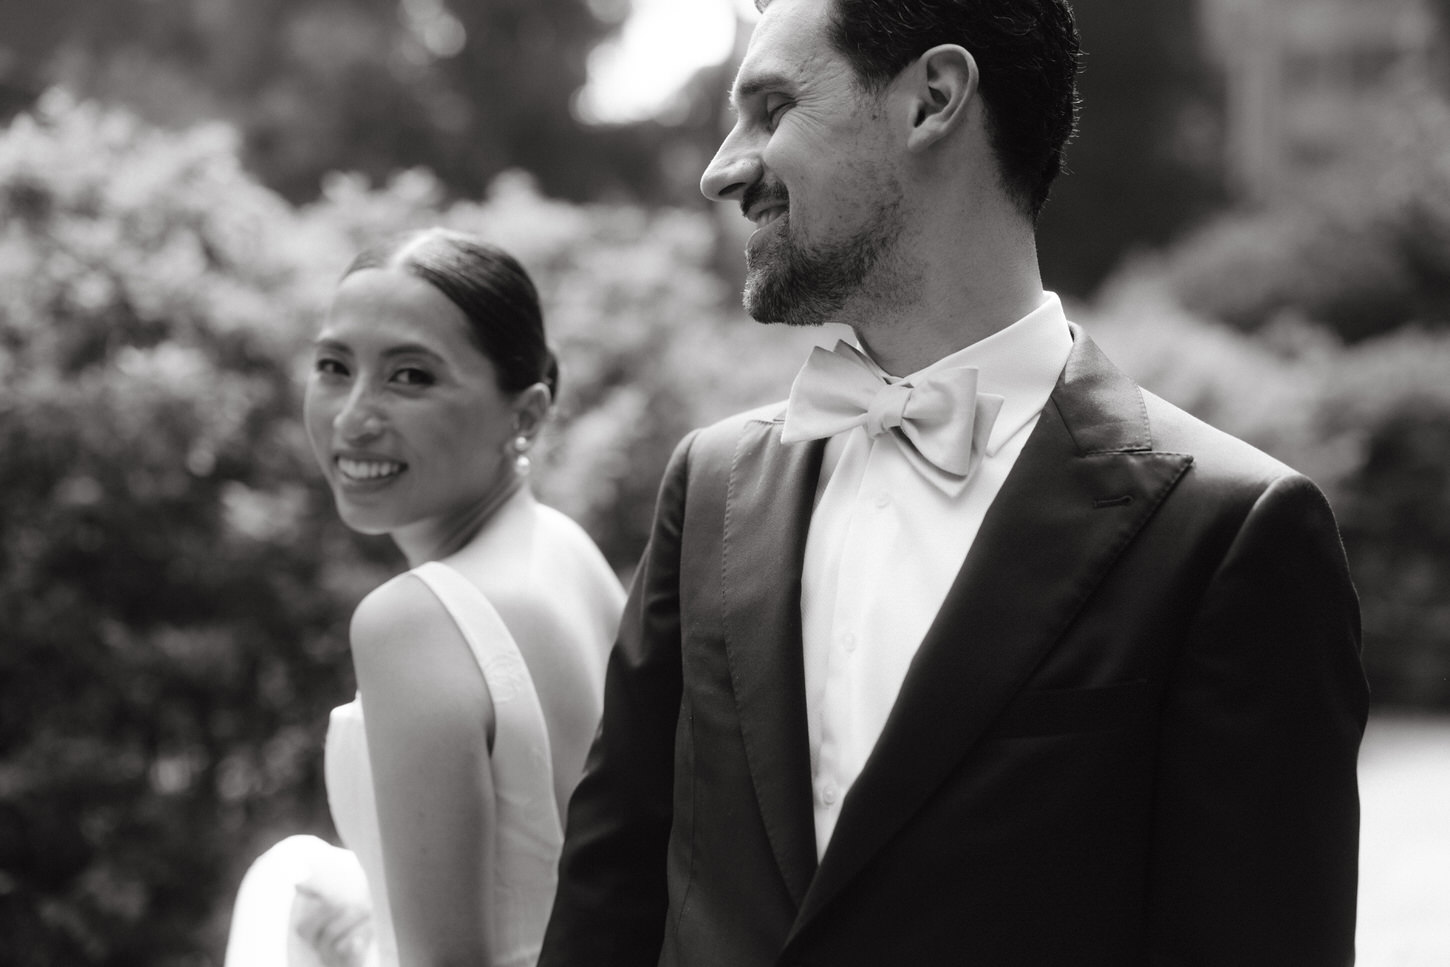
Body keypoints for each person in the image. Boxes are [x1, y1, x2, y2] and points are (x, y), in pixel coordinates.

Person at [539, 0, 1369, 965]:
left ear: (932, 99)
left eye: (771, 108)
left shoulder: (1230, 532)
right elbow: (614, 892)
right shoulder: (714, 485)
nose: (721, 168)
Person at [225, 229, 625, 967]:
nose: (352, 417)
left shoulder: (414, 621)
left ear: (526, 414)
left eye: (409, 376)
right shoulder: (567, 550)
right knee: (297, 875)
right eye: (333, 366)